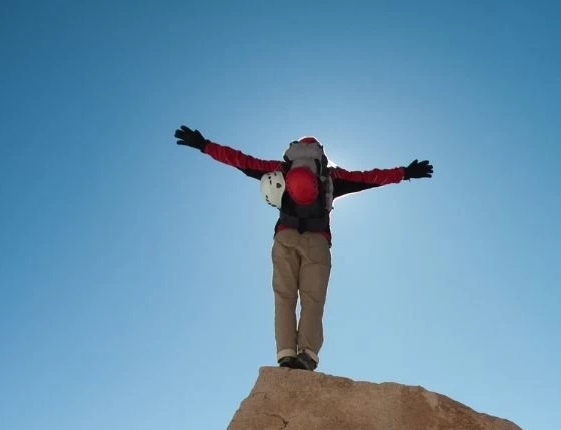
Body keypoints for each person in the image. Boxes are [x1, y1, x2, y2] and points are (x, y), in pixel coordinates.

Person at [174, 125, 433, 371]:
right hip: (318, 242)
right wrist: (405, 173)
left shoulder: (279, 170)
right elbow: (370, 178)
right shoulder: (332, 177)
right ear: (320, 154)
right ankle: (307, 355)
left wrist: (204, 145)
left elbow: (240, 161)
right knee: (313, 301)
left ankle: (285, 353)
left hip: (285, 237)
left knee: (284, 298)